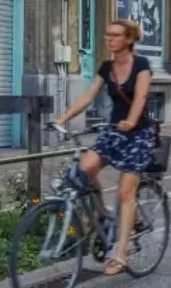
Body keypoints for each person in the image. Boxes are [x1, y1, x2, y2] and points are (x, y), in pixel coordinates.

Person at [54, 18, 156, 276]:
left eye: (115, 35)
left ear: (129, 39)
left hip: (139, 133)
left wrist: (132, 120)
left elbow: (141, 96)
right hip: (115, 131)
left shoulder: (141, 65)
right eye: (107, 35)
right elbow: (89, 95)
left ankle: (120, 253)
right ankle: (100, 214)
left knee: (125, 192)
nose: (109, 39)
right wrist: (63, 118)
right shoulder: (106, 67)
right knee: (84, 169)